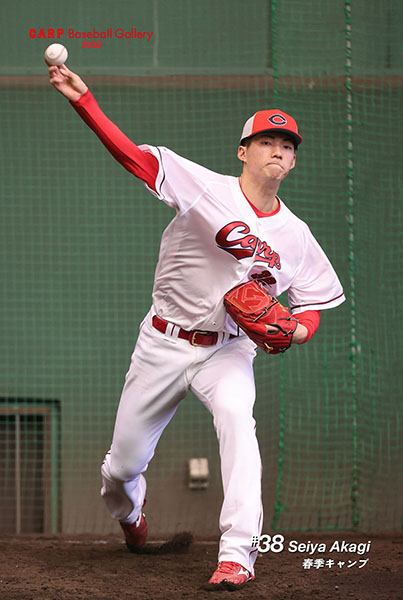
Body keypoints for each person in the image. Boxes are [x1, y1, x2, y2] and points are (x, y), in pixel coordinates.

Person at [48, 64, 345, 590]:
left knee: (238, 423)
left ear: (294, 160)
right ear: (242, 151)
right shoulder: (204, 188)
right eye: (266, 141)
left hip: (228, 351)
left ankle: (237, 555)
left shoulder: (297, 236)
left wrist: (296, 331)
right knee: (121, 469)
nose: (278, 150)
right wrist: (84, 101)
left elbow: (313, 305)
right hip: (163, 342)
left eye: (287, 145)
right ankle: (131, 514)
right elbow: (135, 158)